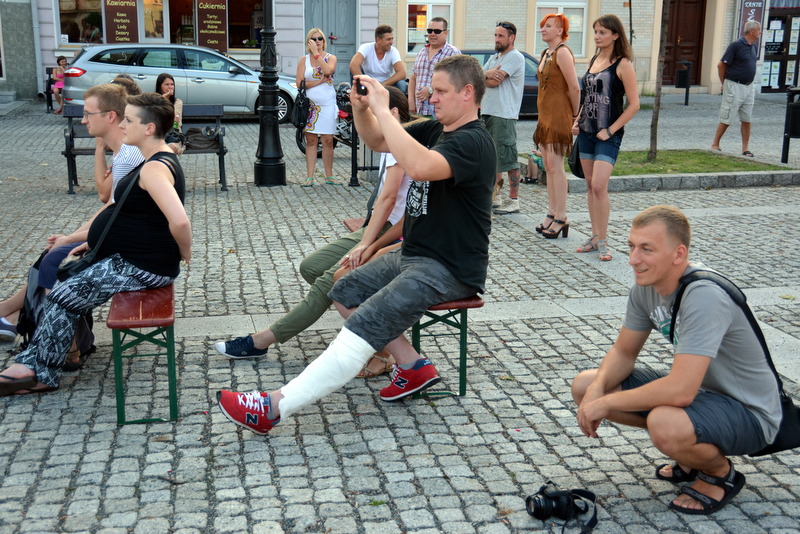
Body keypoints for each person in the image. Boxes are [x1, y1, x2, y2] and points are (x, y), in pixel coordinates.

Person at [216, 55, 495, 435]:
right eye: (433, 90)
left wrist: (383, 107)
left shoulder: (474, 141)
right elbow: (378, 140)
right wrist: (364, 108)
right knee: (344, 289)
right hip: (415, 254)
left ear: (467, 93)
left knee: (366, 322)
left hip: (448, 267)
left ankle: (273, 407)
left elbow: (421, 167)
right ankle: (413, 366)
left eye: (441, 91)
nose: (431, 98)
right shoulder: (438, 129)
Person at [571, 205, 782, 515]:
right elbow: (624, 352)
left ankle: (718, 474)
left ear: (678, 254)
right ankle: (690, 454)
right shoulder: (645, 289)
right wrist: (596, 390)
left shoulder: (704, 296)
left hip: (751, 412)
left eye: (646, 249)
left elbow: (681, 390)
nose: (633, 259)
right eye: (631, 246)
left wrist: (605, 404)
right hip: (705, 396)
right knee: (586, 385)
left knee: (664, 423)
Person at [215, 86, 414, 379]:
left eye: (370, 114)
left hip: (390, 233)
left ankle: (261, 341)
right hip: (377, 225)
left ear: (392, 113)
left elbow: (390, 199)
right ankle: (368, 316)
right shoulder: (391, 141)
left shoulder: (402, 142)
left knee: (328, 282)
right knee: (311, 267)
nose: (365, 125)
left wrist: (366, 244)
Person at [0, 92, 191, 396]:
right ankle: (36, 361)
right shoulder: (153, 160)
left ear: (149, 128)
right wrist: (95, 243)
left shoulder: (154, 168)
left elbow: (179, 221)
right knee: (62, 286)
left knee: (62, 296)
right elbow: (133, 214)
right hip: (132, 259)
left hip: (143, 266)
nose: (123, 125)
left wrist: (185, 251)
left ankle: (41, 373)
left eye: (129, 120)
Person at [0, 83, 145, 360]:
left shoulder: (128, 154)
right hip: (119, 237)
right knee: (52, 256)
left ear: (110, 116)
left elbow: (113, 210)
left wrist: (72, 239)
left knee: (54, 261)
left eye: (88, 113)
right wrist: (72, 236)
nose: (83, 120)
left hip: (127, 247)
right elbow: (111, 208)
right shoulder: (123, 152)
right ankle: (29, 323)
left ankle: (65, 345)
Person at [573, 14, 639, 260]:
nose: (597, 36)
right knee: (590, 186)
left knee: (600, 186)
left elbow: (634, 104)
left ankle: (603, 240)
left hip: (608, 135)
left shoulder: (623, 64)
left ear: (615, 35)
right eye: (596, 32)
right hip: (587, 132)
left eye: (602, 32)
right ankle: (594, 236)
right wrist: (577, 119)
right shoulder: (594, 59)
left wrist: (610, 130)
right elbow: (587, 95)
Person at [533, 14, 580, 239]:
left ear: (560, 31)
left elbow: (574, 87)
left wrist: (575, 116)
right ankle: (552, 212)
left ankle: (561, 216)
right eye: (543, 26)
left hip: (559, 114)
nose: (543, 29)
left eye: (548, 26)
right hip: (545, 115)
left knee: (556, 166)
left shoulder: (562, 52)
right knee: (548, 166)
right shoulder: (546, 53)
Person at [482, 22, 525, 215]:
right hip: (489, 112)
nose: (497, 39)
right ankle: (496, 196)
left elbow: (492, 82)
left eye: (501, 36)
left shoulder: (515, 57)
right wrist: (485, 74)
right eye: (496, 35)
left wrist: (485, 76)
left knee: (508, 158)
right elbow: (480, 77)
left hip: (504, 115)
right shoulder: (495, 58)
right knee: (493, 158)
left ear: (511, 37)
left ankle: (514, 200)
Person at [297, 29, 342, 186]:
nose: (317, 41)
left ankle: (329, 175)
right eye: (313, 39)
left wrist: (317, 54)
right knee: (310, 140)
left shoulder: (330, 58)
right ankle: (310, 176)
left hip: (327, 103)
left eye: (320, 38)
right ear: (308, 41)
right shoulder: (304, 60)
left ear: (324, 41)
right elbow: (300, 83)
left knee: (328, 140)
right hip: (310, 106)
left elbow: (329, 70)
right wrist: (320, 81)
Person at [710, 21, 762, 157]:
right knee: (727, 116)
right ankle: (715, 144)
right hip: (734, 85)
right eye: (759, 30)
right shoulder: (736, 45)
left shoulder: (753, 46)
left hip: (748, 86)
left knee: (747, 118)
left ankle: (745, 148)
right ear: (751, 31)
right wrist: (724, 83)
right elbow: (721, 65)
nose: (760, 32)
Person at [408, 17, 460, 117]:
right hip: (419, 112)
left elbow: (457, 81)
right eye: (429, 31)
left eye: (437, 31)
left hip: (441, 113)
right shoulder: (421, 52)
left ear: (446, 33)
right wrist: (411, 101)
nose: (432, 34)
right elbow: (413, 78)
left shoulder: (452, 53)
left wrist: (431, 90)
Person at [350, 25, 408, 94]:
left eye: (392, 39)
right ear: (378, 40)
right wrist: (364, 82)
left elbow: (402, 73)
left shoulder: (393, 51)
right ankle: (360, 96)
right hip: (368, 82)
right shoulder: (366, 47)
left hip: (386, 84)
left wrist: (382, 84)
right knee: (354, 71)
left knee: (402, 84)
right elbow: (353, 65)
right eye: (388, 39)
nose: (391, 42)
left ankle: (395, 101)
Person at [156, 73, 185, 155]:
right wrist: (162, 99)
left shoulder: (178, 102)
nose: (170, 87)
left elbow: (175, 121)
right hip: (158, 134)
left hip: (173, 134)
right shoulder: (154, 101)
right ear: (160, 86)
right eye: (167, 84)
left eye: (172, 84)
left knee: (169, 148)